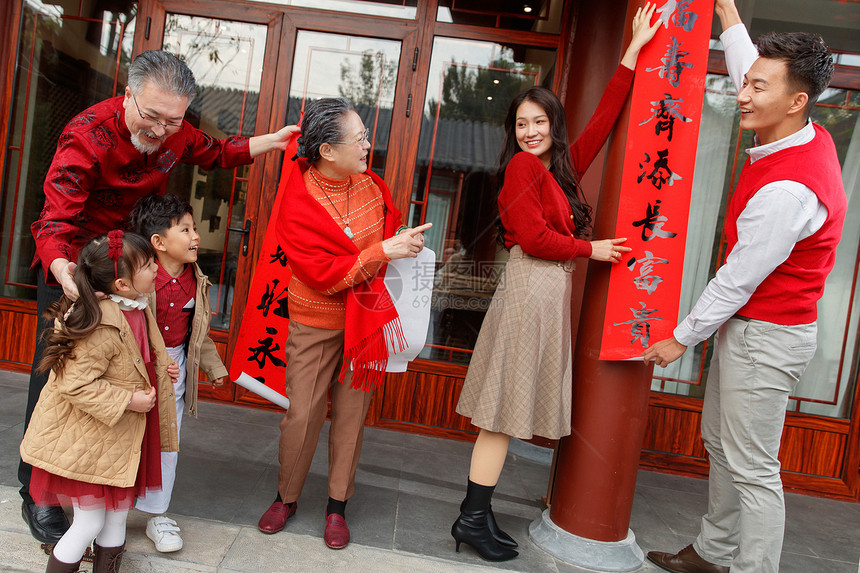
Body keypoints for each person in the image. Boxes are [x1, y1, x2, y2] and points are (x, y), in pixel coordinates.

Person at [21, 48, 298, 544]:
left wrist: (269, 143)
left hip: (132, 270)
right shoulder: (87, 135)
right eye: (151, 118)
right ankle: (38, 495)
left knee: (121, 379)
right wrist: (68, 276)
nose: (160, 131)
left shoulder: (173, 127)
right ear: (129, 95)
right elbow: (55, 220)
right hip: (76, 265)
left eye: (172, 122)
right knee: (60, 380)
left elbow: (215, 151)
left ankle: (98, 486)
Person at [450, 4, 660, 563]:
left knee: (507, 415)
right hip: (528, 292)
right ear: (512, 132)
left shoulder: (555, 172)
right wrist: (592, 249)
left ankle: (475, 515)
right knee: (499, 415)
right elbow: (533, 236)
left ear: (552, 125)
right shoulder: (521, 170)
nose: (530, 131)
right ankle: (472, 518)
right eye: (521, 125)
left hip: (545, 295)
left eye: (539, 122)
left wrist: (631, 55)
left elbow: (600, 126)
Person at [643, 2, 845, 572]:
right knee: (722, 447)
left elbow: (736, 279)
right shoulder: (800, 129)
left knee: (754, 469)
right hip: (754, 329)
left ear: (797, 100)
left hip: (767, 336)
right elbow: (747, 65)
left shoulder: (788, 193)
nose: (744, 94)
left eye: (760, 87)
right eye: (749, 83)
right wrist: (725, 9)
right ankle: (712, 553)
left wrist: (682, 338)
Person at [255, 97, 431, 550]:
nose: (369, 146)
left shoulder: (373, 185)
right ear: (328, 151)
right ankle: (286, 497)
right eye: (360, 139)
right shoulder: (296, 201)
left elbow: (379, 244)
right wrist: (378, 253)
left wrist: (398, 245)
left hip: (364, 319)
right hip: (315, 318)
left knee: (351, 417)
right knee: (303, 414)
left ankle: (338, 505)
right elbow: (321, 274)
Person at [20, 230, 179, 572]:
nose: (156, 268)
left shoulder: (139, 306)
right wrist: (128, 400)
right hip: (92, 441)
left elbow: (137, 360)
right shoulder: (102, 321)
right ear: (121, 284)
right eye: (149, 264)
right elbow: (75, 384)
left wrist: (164, 369)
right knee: (89, 523)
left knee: (116, 520)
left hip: (121, 439)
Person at [128, 193, 228, 553]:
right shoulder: (136, 279)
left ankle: (157, 512)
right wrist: (153, 360)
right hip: (136, 368)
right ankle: (113, 508)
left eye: (195, 228)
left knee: (167, 443)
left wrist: (214, 369)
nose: (196, 236)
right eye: (185, 229)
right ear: (158, 243)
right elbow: (126, 328)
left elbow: (198, 335)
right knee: (129, 438)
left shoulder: (196, 280)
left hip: (175, 370)